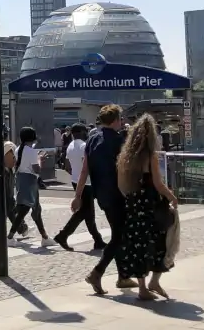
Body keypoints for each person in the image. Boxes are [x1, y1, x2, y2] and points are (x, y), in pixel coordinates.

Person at [115, 114, 179, 301]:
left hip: (134, 202)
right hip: (152, 203)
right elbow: (158, 184)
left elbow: (121, 185)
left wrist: (132, 198)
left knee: (138, 244)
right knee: (162, 241)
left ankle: (142, 287)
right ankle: (154, 281)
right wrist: (172, 197)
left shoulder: (124, 157)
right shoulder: (150, 156)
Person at [75, 105, 135, 294]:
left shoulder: (92, 139)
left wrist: (77, 196)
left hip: (101, 194)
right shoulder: (119, 140)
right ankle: (97, 272)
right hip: (119, 193)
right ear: (116, 120)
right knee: (120, 236)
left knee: (118, 233)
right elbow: (125, 169)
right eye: (121, 118)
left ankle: (123, 276)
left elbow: (84, 169)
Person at [54, 123, 106, 251]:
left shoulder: (70, 146)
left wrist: (75, 175)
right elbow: (87, 166)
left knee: (88, 213)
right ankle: (63, 235)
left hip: (75, 181)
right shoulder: (84, 146)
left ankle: (98, 240)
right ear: (82, 132)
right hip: (86, 183)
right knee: (84, 212)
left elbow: (66, 166)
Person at [7, 127, 56, 248]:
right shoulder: (32, 152)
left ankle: (44, 236)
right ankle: (10, 236)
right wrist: (40, 159)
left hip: (21, 179)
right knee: (25, 209)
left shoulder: (18, 149)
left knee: (35, 209)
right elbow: (37, 169)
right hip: (30, 180)